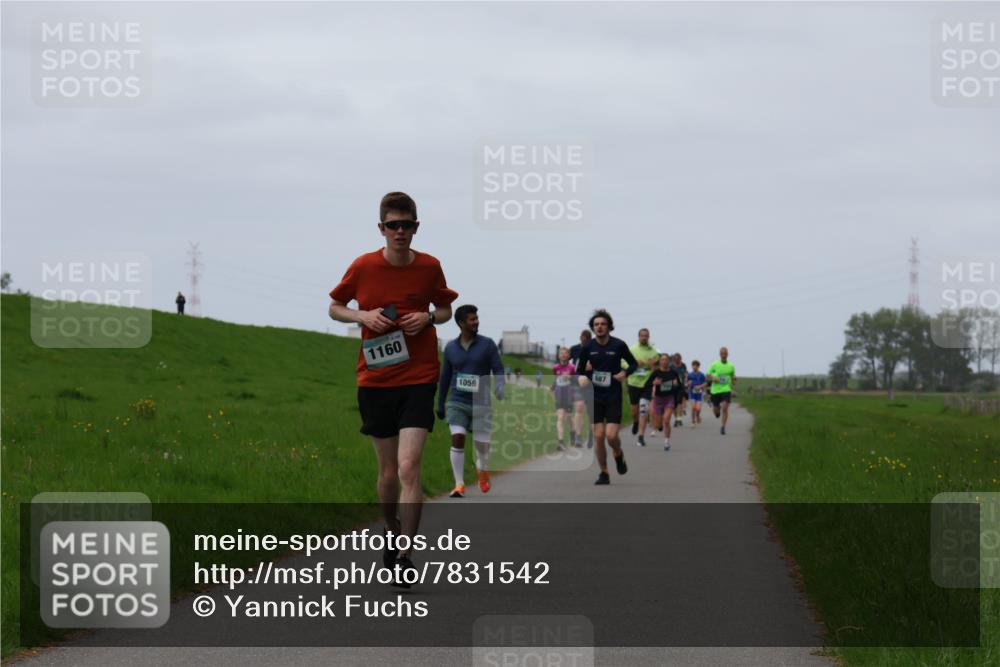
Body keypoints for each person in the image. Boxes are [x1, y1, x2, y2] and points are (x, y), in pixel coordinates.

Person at [328, 191, 457, 586]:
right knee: (387, 473)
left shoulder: (430, 266)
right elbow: (335, 306)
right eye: (393, 225)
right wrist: (362, 315)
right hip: (376, 380)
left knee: (408, 466)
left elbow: (446, 309)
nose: (400, 231)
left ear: (416, 227)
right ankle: (391, 526)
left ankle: (404, 555)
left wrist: (428, 318)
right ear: (381, 228)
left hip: (419, 377)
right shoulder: (363, 266)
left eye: (407, 225)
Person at [437, 305, 505, 498]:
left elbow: (498, 369)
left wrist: (500, 386)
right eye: (472, 319)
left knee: (481, 446)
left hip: (482, 404)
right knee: (458, 438)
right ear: (461, 323)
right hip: (457, 401)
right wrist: (440, 403)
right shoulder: (451, 348)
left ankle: (482, 470)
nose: (476, 322)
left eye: (476, 318)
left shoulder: (488, 345)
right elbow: (445, 376)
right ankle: (459, 484)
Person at [575, 309, 637, 485]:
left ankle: (618, 453)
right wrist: (582, 377)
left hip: (613, 395)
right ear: (593, 328)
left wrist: (625, 373)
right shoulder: (588, 347)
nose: (599, 327)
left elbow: (633, 364)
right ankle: (604, 472)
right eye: (596, 324)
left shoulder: (619, 345)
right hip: (594, 396)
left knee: (611, 436)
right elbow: (579, 370)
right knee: (598, 435)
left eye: (603, 324)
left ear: (609, 326)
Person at [626, 328, 659, 447]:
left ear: (648, 337)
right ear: (638, 337)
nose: (644, 338)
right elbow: (622, 362)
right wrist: (634, 364)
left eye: (646, 336)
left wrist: (653, 365)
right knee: (634, 411)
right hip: (634, 382)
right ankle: (635, 421)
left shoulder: (653, 352)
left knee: (643, 409)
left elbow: (657, 368)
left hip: (647, 383)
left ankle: (641, 436)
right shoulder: (632, 349)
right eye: (642, 336)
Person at [650, 354, 682, 450]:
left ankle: (667, 442)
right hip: (658, 399)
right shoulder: (656, 373)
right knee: (658, 424)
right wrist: (654, 383)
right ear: (660, 362)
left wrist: (676, 385)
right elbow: (648, 384)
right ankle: (659, 426)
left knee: (666, 420)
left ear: (669, 361)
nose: (664, 361)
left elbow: (680, 386)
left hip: (669, 398)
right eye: (662, 360)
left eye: (666, 360)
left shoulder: (673, 373)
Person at [568, 330, 593, 448]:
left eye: (586, 339)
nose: (584, 341)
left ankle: (592, 434)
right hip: (577, 382)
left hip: (591, 383)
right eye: (582, 339)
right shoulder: (574, 349)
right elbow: (565, 360)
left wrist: (592, 367)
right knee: (579, 408)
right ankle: (578, 436)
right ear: (580, 338)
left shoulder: (594, 349)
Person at [551, 347, 577, 450]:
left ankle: (573, 433)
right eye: (561, 353)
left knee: (569, 417)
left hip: (569, 396)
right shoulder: (555, 368)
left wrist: (570, 377)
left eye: (565, 353)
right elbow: (556, 379)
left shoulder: (572, 367)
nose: (563, 355)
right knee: (560, 417)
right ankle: (561, 442)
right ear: (559, 356)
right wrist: (553, 387)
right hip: (559, 396)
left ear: (568, 356)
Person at [707, 347, 736, 435]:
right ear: (720, 354)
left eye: (725, 353)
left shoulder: (731, 366)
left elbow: (733, 376)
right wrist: (713, 378)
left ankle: (723, 427)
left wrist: (734, 381)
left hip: (726, 389)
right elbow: (707, 375)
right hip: (715, 390)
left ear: (727, 354)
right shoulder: (715, 364)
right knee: (716, 409)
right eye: (722, 353)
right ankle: (717, 411)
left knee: (725, 408)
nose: (723, 355)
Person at [670, 353, 688, 427]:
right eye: (675, 359)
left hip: (681, 386)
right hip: (673, 386)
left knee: (679, 401)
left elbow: (685, 373)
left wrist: (686, 379)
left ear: (680, 359)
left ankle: (679, 418)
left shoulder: (683, 365)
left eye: (678, 359)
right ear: (674, 359)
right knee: (674, 404)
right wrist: (672, 380)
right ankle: (676, 418)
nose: (677, 360)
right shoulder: (671, 366)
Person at [687, 360, 707, 426]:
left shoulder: (701, 375)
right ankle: (693, 421)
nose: (694, 367)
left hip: (699, 394)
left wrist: (700, 386)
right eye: (693, 365)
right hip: (692, 393)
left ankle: (697, 416)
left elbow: (706, 383)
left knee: (698, 409)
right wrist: (688, 383)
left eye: (696, 366)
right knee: (693, 408)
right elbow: (686, 383)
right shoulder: (689, 374)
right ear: (692, 366)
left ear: (698, 366)